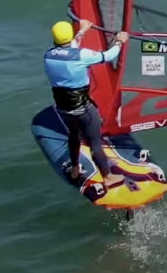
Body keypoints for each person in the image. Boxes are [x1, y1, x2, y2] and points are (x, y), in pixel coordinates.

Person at [45, 19, 129, 189]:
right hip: (84, 109)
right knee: (95, 142)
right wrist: (120, 40)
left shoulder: (49, 55)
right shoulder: (82, 56)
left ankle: (75, 169)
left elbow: (69, 49)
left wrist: (82, 31)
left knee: (74, 135)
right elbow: (108, 56)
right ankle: (107, 177)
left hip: (64, 109)